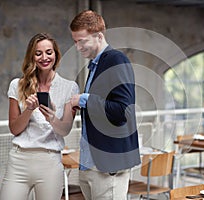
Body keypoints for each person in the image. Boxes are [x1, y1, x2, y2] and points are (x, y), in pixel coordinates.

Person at [69, 10, 140, 199]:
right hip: (90, 165)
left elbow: (122, 111)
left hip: (108, 168)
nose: (78, 47)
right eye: (75, 42)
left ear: (99, 36)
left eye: (82, 41)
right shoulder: (96, 64)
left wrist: (85, 99)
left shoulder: (116, 59)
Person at [0, 33, 79, 200]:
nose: (44, 57)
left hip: (49, 162)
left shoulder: (69, 88)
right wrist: (28, 110)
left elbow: (65, 130)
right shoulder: (17, 85)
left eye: (49, 52)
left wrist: (51, 118)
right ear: (32, 56)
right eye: (38, 53)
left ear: (56, 54)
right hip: (19, 161)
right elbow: (15, 129)